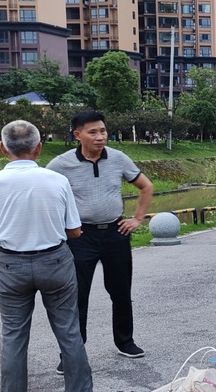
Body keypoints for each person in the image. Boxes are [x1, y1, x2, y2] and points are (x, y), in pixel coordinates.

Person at [0, 121, 93, 392]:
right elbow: (75, 231)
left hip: (11, 265)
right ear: (39, 147)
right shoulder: (56, 181)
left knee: (14, 338)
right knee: (68, 329)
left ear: (3, 148)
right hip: (55, 260)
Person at [47, 111, 154, 362]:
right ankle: (71, 353)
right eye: (93, 132)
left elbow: (146, 186)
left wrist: (137, 218)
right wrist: (61, 227)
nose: (100, 137)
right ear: (77, 135)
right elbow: (44, 193)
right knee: (76, 295)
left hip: (115, 233)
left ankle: (125, 341)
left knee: (120, 291)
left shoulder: (118, 158)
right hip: (80, 236)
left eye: (103, 131)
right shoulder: (61, 164)